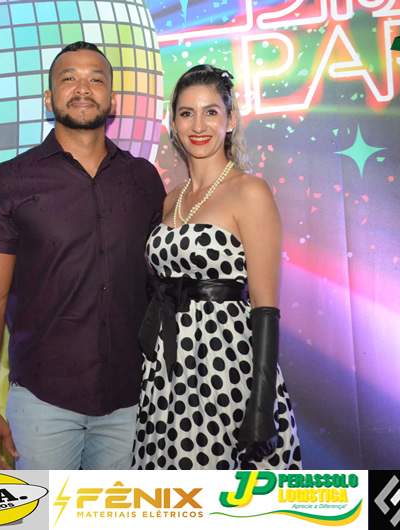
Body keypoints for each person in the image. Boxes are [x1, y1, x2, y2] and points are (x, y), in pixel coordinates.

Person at [0, 42, 165, 470]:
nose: (83, 88)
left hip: (131, 403)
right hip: (43, 404)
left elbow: (162, 286)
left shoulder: (143, 180)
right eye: (69, 78)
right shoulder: (10, 181)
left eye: (96, 79)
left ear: (111, 99)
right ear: (49, 97)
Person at [132, 65, 301, 469]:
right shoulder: (170, 199)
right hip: (166, 374)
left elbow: (265, 306)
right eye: (186, 113)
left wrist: (261, 406)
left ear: (231, 120)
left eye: (211, 112)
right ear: (174, 124)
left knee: (225, 490)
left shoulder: (250, 191)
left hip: (226, 370)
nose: (198, 125)